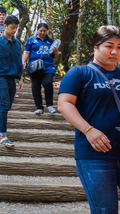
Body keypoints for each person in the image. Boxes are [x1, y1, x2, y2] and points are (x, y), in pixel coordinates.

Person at [58, 26, 120, 214]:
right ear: (95, 46)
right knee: (106, 210)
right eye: (109, 46)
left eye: (119, 47)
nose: (115, 51)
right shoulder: (79, 73)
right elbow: (65, 104)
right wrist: (88, 130)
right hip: (95, 154)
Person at [0, 15, 23, 148]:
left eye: (16, 28)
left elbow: (19, 62)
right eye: (12, 27)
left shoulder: (17, 43)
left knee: (6, 106)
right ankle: (3, 136)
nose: (14, 30)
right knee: (5, 103)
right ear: (5, 26)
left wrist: (20, 78)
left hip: (12, 78)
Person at [22, 23, 59, 114]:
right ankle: (39, 107)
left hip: (48, 66)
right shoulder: (31, 40)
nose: (42, 32)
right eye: (41, 30)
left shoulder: (51, 41)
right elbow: (26, 52)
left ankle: (50, 106)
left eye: (44, 31)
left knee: (48, 83)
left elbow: (55, 57)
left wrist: (56, 51)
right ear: (37, 30)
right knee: (35, 86)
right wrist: (23, 62)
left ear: (47, 31)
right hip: (34, 67)